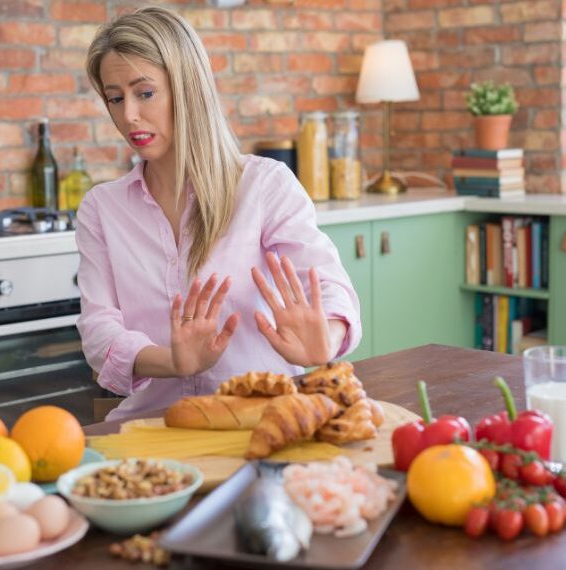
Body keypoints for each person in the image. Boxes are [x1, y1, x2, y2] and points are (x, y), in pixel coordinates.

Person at [77, 6, 361, 422]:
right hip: (156, 425)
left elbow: (330, 289)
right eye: (115, 98)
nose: (128, 116)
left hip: (266, 420)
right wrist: (175, 361)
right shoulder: (102, 208)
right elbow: (98, 330)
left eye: (145, 93)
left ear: (187, 87)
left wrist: (327, 339)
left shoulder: (265, 185)